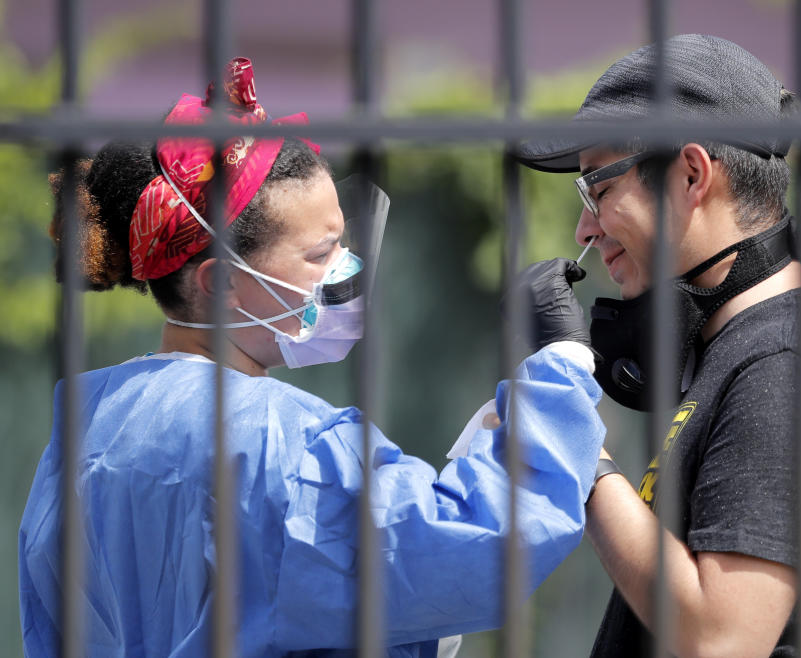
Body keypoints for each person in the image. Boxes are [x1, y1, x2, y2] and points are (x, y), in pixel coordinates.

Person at [19, 58, 606, 657]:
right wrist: (560, 368)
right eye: (321, 253)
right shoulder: (274, 442)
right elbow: (481, 551)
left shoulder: (85, 436)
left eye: (345, 242)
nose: (346, 270)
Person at [516, 34, 801, 656]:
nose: (584, 229)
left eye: (597, 189)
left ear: (690, 174)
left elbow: (719, 639)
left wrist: (571, 438)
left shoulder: (787, 362)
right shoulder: (749, 344)